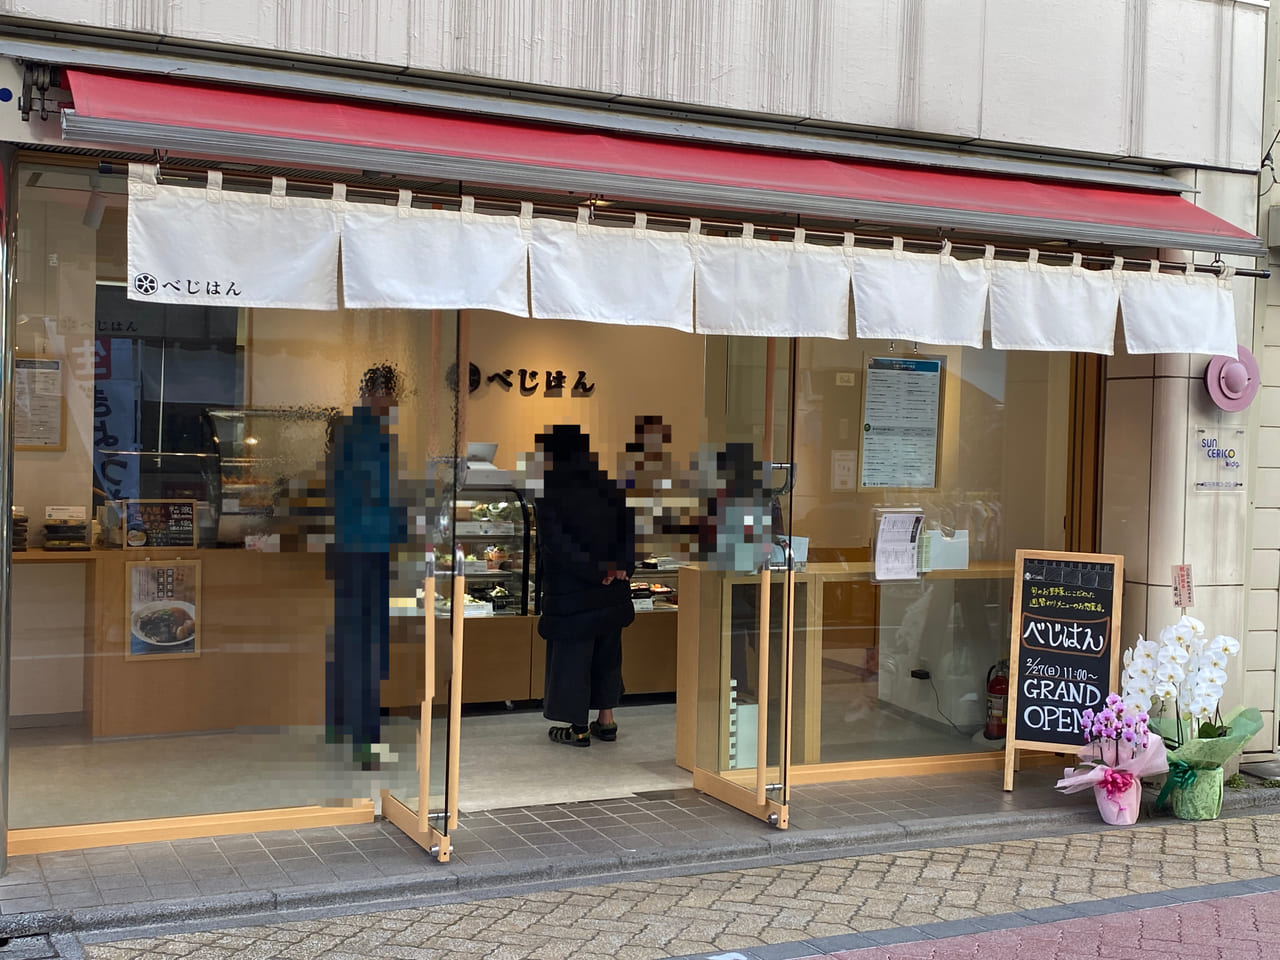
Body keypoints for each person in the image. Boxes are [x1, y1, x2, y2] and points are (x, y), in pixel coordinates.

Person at [533, 424, 636, 747]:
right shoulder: (608, 485)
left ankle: (577, 727)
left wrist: (596, 571)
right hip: (611, 590)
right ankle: (606, 721)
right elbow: (629, 531)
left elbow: (558, 545)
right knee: (607, 653)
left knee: (573, 657)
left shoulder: (550, 491)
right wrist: (620, 567)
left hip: (573, 592)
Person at [326, 364, 408, 768]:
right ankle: (365, 741)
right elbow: (380, 494)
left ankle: (341, 728)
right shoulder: (369, 435)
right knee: (367, 646)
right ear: (376, 393)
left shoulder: (348, 431)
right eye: (391, 395)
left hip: (351, 548)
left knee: (348, 641)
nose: (394, 403)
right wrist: (408, 525)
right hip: (366, 549)